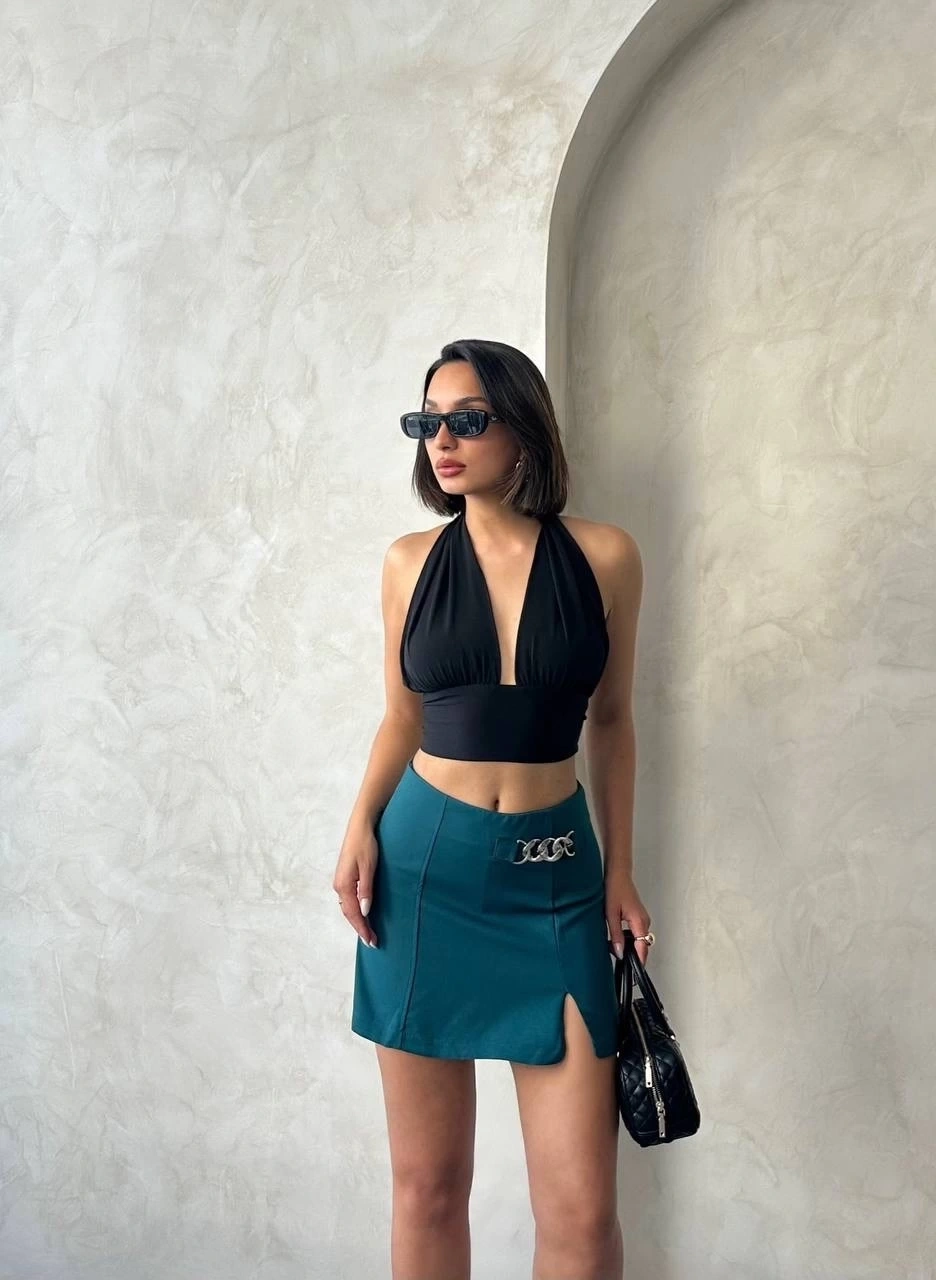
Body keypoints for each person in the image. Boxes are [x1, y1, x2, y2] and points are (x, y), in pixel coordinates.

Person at [333, 338, 654, 1280]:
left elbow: (615, 721)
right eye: (428, 423)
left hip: (557, 881)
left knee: (583, 1216)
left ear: (523, 427)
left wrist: (623, 871)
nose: (443, 441)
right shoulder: (408, 563)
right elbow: (402, 717)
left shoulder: (606, 556)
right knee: (428, 1188)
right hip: (424, 873)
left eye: (467, 420)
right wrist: (358, 824)